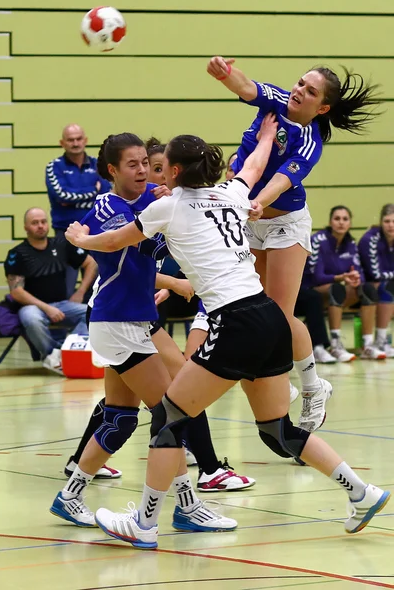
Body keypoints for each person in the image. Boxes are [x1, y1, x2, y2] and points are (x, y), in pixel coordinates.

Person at [66, 118, 389, 548]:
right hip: (272, 318)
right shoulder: (231, 194)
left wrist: (79, 238)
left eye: (161, 167)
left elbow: (112, 243)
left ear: (175, 172)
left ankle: (144, 523)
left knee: (167, 416)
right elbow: (254, 168)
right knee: (277, 429)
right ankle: (360, 492)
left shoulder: (167, 207)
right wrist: (269, 137)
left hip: (234, 322)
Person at [51, 132, 256, 532]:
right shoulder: (106, 209)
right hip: (117, 320)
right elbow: (130, 251)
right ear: (112, 170)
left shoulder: (153, 201)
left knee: (121, 418)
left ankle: (70, 496)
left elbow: (154, 247)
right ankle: (187, 505)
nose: (143, 169)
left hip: (135, 318)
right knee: (169, 415)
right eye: (133, 164)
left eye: (147, 162)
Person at [206, 56, 382, 432]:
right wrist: (224, 73)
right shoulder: (276, 100)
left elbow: (283, 181)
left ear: (322, 107)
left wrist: (259, 201)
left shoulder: (310, 141)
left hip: (284, 222)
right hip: (251, 218)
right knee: (252, 311)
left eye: (310, 90)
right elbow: (246, 86)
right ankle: (279, 383)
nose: (298, 91)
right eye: (300, 83)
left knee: (279, 316)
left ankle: (313, 387)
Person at [3, 208, 96, 374]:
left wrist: (80, 292)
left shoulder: (61, 245)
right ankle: (52, 354)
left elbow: (91, 263)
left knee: (91, 313)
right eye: (35, 223)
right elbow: (16, 291)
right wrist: (47, 308)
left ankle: (68, 351)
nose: (40, 226)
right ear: (25, 227)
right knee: (31, 318)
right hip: (32, 307)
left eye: (43, 222)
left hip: (63, 305)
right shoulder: (17, 254)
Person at [303, 205, 383, 361]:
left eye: (345, 219)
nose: (341, 223)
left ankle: (367, 345)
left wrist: (356, 279)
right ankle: (335, 345)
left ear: (350, 223)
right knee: (336, 289)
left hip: (339, 289)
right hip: (313, 291)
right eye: (337, 218)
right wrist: (341, 277)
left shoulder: (351, 244)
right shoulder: (318, 240)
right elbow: (316, 277)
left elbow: (359, 272)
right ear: (330, 222)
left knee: (368, 289)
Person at [45, 124, 112, 297]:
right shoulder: (54, 167)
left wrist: (76, 200)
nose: (75, 143)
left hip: (96, 231)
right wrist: (91, 192)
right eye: (70, 139)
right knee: (67, 287)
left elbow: (105, 195)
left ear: (85, 140)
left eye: (78, 138)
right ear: (62, 143)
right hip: (66, 233)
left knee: (99, 286)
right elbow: (61, 196)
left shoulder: (98, 165)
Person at [358, 204, 394, 357]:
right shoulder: (370, 239)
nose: (391, 225)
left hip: (386, 283)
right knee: (387, 287)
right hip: (367, 285)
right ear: (381, 222)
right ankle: (378, 341)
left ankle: (382, 341)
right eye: (387, 221)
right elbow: (375, 273)